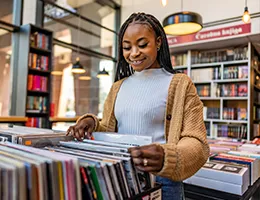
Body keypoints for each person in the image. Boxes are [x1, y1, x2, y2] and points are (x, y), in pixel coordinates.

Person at [67, 12, 209, 200]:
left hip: (163, 181)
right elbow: (111, 131)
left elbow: (197, 142)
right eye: (127, 47)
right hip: (122, 177)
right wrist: (91, 123)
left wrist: (167, 155)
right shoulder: (118, 87)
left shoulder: (181, 84)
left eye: (142, 45)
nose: (134, 53)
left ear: (158, 42)